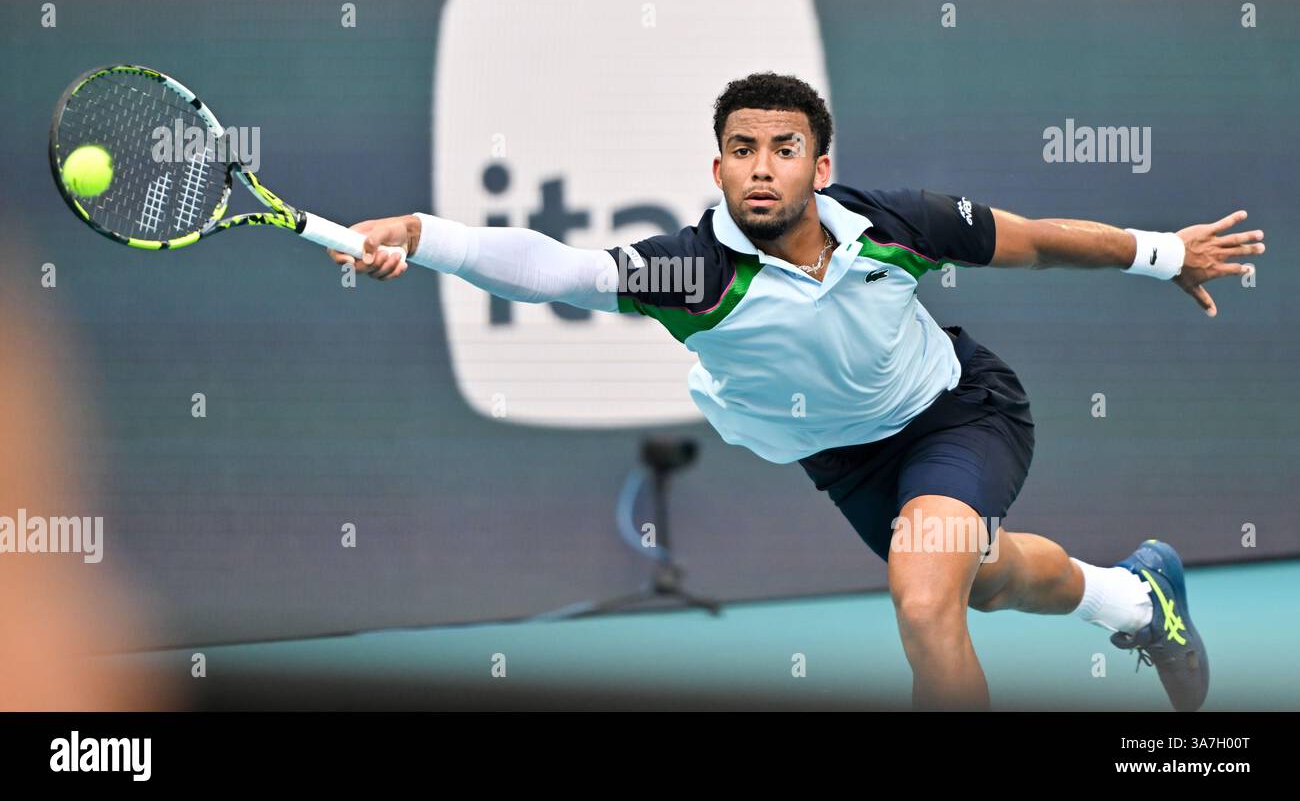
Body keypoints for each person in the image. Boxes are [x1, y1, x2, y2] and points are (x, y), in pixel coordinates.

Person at [330, 72, 1263, 711]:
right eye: (742, 149)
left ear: (819, 167)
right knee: (986, 581)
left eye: (784, 148)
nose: (762, 166)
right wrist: (423, 233)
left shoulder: (899, 222)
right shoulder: (688, 273)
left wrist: (1165, 253)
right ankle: (1137, 599)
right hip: (846, 461)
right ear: (718, 169)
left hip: (957, 414)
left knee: (923, 595)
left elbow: (1034, 238)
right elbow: (556, 270)